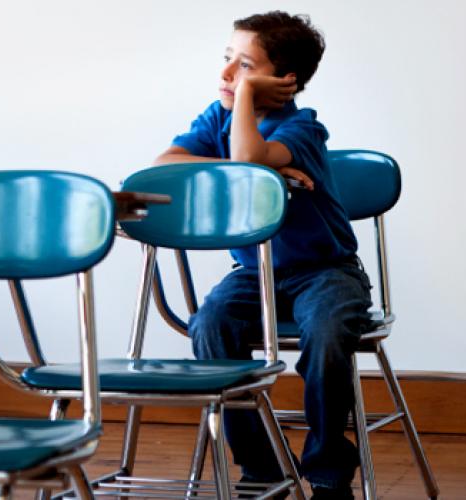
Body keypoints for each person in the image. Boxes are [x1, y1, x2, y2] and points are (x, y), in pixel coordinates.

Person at [153, 11, 374, 500]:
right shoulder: (219, 118)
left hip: (325, 271)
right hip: (255, 273)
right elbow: (165, 164)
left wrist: (250, 153)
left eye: (246, 67)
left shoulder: (302, 128)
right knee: (209, 324)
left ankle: (328, 473)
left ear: (283, 80)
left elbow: (250, 158)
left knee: (327, 334)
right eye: (227, 59)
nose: (228, 74)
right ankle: (263, 464)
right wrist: (247, 169)